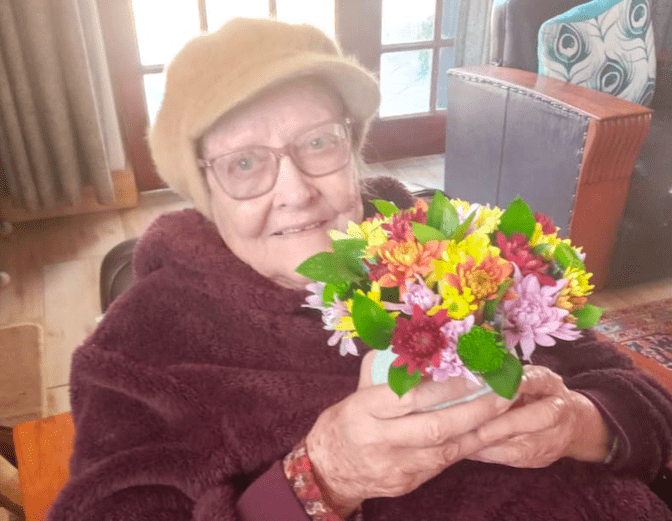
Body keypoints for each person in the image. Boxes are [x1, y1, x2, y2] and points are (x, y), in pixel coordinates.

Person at [47, 17, 672, 521]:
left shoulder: (453, 245)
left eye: (319, 142)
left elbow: (643, 402)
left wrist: (581, 425)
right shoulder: (141, 343)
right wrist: (322, 478)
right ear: (204, 190)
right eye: (245, 164)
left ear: (353, 146)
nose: (296, 192)